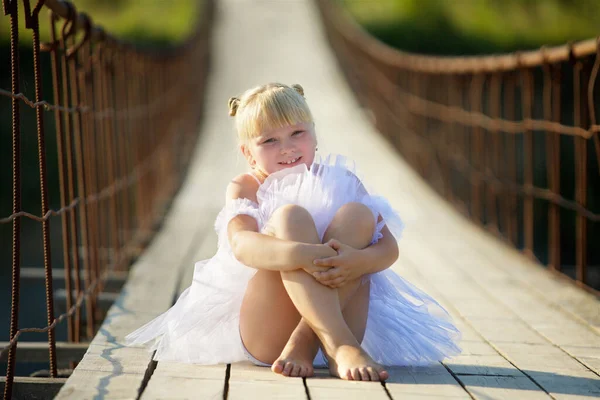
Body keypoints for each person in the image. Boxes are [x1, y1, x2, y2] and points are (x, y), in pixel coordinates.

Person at [126, 83, 461, 382]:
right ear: (247, 153)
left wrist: (358, 260)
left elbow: (389, 249)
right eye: (270, 140)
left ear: (314, 135)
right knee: (290, 219)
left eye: (296, 134)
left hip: (334, 328)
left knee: (359, 215)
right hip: (269, 332)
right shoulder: (247, 186)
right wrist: (304, 253)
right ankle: (338, 343)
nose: (286, 147)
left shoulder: (343, 182)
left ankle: (309, 340)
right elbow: (243, 245)